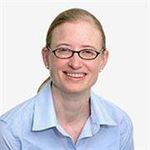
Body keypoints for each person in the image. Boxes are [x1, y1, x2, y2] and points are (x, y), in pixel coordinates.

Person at [0, 8, 134, 150]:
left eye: (88, 52)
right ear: (46, 57)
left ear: (103, 60)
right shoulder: (11, 131)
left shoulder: (120, 126)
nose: (75, 64)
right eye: (64, 50)